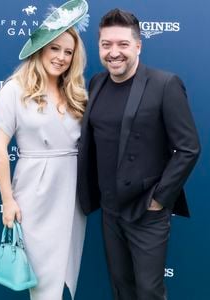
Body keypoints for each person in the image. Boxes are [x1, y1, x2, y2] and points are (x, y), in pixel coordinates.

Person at [77, 8, 201, 300]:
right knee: (121, 289)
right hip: (109, 210)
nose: (114, 52)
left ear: (138, 45)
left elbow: (188, 148)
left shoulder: (164, 84)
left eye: (122, 44)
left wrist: (159, 200)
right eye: (106, 45)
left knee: (148, 293)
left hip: (146, 211)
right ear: (99, 46)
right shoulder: (96, 83)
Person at [0, 1, 89, 299]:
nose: (61, 57)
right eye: (55, 48)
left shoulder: (76, 94)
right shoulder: (15, 89)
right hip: (34, 192)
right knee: (42, 281)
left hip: (72, 194)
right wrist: (7, 199)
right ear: (41, 48)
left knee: (64, 274)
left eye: (68, 52)